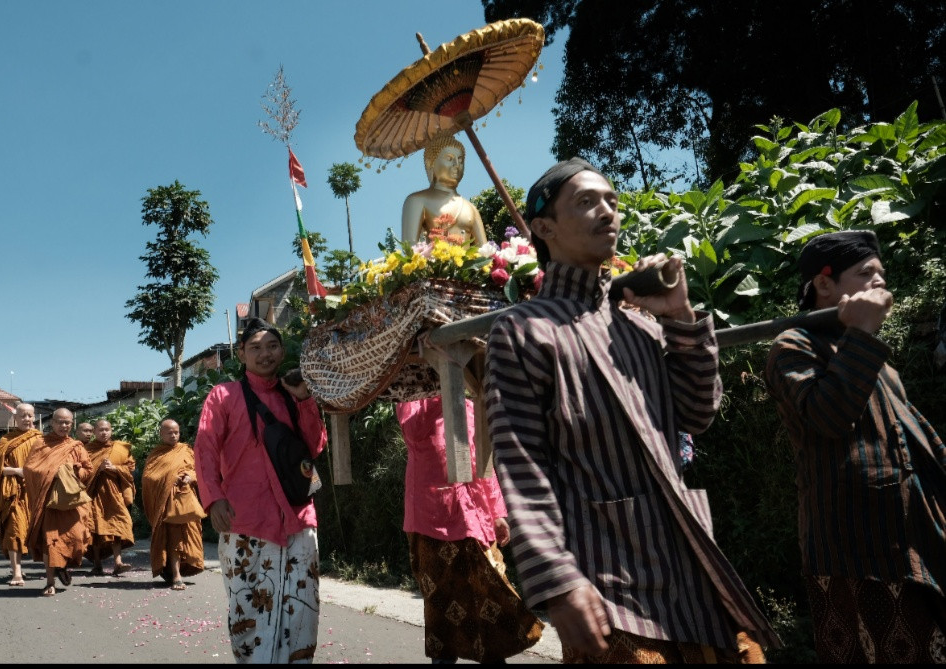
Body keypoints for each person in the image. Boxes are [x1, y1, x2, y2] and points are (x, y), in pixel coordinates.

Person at [483, 158, 778, 663]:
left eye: (613, 201)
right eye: (587, 201)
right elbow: (523, 464)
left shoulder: (641, 327)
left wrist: (682, 318)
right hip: (607, 584)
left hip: (692, 571)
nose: (608, 212)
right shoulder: (522, 331)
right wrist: (557, 580)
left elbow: (697, 413)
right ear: (543, 228)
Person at [764, 230, 946, 663]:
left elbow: (909, 439)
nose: (881, 283)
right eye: (866, 273)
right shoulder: (792, 346)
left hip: (913, 540)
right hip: (854, 551)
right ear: (824, 284)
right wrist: (862, 331)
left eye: (882, 273)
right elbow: (828, 417)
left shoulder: (872, 357)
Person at [195, 318, 327, 663]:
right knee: (247, 616)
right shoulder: (224, 395)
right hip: (244, 520)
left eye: (272, 346)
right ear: (241, 354)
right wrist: (214, 498)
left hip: (298, 519)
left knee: (302, 612)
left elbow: (314, 446)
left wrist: (304, 400)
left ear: (282, 351)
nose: (264, 354)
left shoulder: (294, 392)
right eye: (255, 347)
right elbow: (206, 446)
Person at [395, 396, 543, 664]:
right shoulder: (412, 402)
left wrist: (497, 512)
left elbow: (482, 462)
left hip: (475, 517)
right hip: (432, 521)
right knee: (442, 605)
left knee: (490, 596)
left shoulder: (472, 405)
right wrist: (441, 392)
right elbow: (414, 433)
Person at [22, 407, 94, 597]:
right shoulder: (41, 444)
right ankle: (50, 582)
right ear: (52, 423)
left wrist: (75, 470)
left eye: (67, 422)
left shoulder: (76, 446)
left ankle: (61, 566)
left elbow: (89, 470)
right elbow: (30, 469)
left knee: (77, 539)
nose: (63, 425)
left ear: (72, 424)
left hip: (71, 501)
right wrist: (51, 472)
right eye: (60, 422)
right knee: (50, 542)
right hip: (49, 502)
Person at [143, 418, 205, 591]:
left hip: (187, 501)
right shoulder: (156, 455)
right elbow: (149, 478)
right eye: (169, 432)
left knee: (189, 536)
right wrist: (170, 479)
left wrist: (191, 477)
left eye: (176, 432)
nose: (173, 435)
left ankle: (180, 569)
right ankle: (176, 575)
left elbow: (199, 470)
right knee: (172, 538)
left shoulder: (186, 450)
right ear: (161, 434)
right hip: (167, 503)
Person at [401, 134, 487, 246]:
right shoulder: (417, 200)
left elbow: (485, 252)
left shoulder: (470, 208)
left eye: (460, 160)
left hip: (467, 262)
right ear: (430, 162)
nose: (457, 165)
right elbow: (410, 246)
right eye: (449, 158)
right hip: (435, 261)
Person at [0, 402, 40, 586]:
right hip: (13, 493)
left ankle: (51, 570)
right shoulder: (6, 441)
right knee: (14, 530)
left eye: (29, 415)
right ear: (15, 418)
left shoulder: (40, 439)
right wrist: (16, 471)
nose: (26, 419)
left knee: (38, 532)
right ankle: (17, 572)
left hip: (35, 492)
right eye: (22, 416)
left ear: (34, 417)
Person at [83, 418, 136, 577]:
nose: (104, 432)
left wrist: (114, 468)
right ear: (94, 432)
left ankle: (118, 562)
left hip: (114, 495)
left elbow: (130, 469)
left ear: (111, 431)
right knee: (95, 530)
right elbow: (81, 473)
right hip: (93, 495)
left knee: (118, 526)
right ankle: (97, 564)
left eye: (107, 429)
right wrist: (97, 470)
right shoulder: (87, 450)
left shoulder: (120, 449)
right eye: (100, 430)